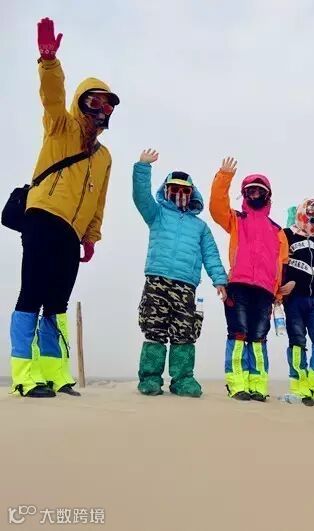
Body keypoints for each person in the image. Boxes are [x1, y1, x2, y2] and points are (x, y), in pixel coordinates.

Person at [10, 18, 120, 398]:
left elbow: (99, 199)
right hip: (42, 217)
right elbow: (52, 96)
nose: (101, 108)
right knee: (32, 294)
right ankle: (25, 376)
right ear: (82, 101)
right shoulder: (61, 125)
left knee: (57, 303)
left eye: (107, 103)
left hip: (72, 234)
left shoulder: (104, 156)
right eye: (94, 100)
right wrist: (49, 61)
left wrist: (91, 237)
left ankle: (56, 375)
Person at [132, 149, 228, 397]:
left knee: (184, 332)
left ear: (191, 194)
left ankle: (183, 380)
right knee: (154, 329)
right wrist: (143, 167)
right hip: (157, 280)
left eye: (185, 190)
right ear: (166, 191)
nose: (179, 194)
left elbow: (211, 254)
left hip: (186, 286)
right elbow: (141, 197)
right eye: (174, 188)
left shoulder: (200, 227)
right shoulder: (157, 215)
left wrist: (219, 279)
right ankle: (150, 379)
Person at [210, 157, 291, 402]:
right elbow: (216, 208)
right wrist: (224, 177)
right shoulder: (237, 219)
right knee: (238, 333)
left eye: (259, 191)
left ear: (267, 195)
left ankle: (258, 385)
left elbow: (282, 263)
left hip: (265, 291)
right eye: (250, 191)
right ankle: (237, 385)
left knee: (258, 337)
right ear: (245, 194)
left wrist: (278, 293)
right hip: (238, 285)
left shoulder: (277, 230)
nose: (255, 194)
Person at [282, 199, 314, 406]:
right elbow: (280, 264)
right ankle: (300, 387)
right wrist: (285, 284)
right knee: (297, 341)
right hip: (295, 299)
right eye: (312, 220)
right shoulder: (286, 235)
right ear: (302, 215)